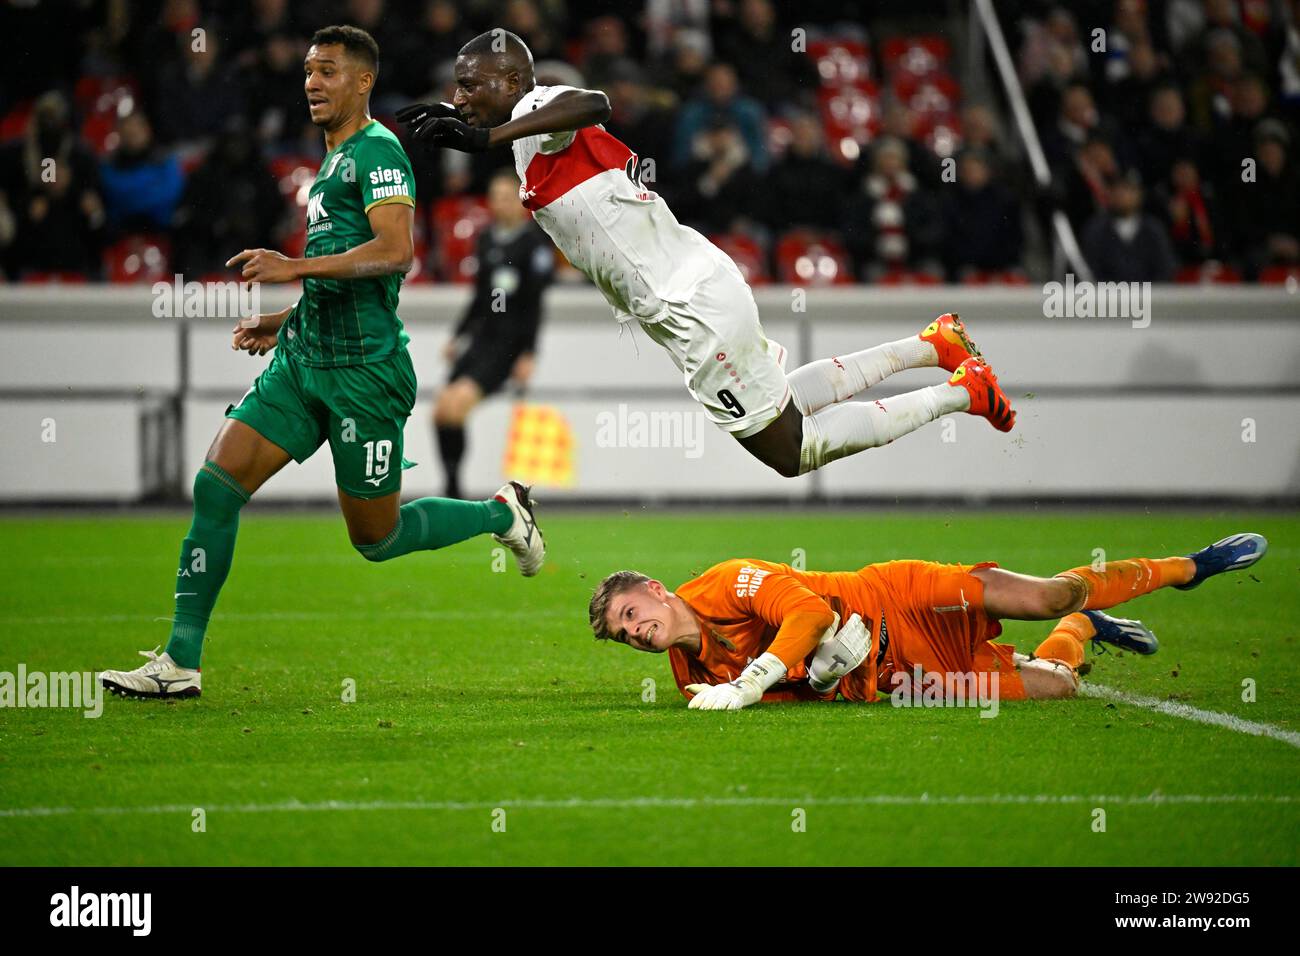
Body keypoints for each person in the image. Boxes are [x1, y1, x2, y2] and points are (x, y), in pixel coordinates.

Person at [99, 25, 544, 702]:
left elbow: (395, 253)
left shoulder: (379, 150)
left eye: (328, 71)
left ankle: (499, 513)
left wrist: (293, 268)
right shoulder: (333, 157)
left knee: (377, 538)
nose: (312, 82)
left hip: (364, 374)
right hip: (304, 360)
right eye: (309, 70)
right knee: (216, 487)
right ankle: (180, 661)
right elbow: (344, 274)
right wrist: (287, 319)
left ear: (364, 81)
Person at [397, 30, 1016, 481]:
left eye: (470, 85)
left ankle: (964, 393)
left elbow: (594, 102)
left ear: (513, 83)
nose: (461, 96)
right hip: (696, 288)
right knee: (786, 406)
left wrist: (485, 133)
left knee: (793, 451)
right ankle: (932, 346)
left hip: (690, 308)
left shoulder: (535, 112)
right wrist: (462, 123)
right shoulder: (525, 132)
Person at [588, 533, 1268, 710]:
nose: (634, 631)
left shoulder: (725, 582)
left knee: (1047, 598)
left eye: (630, 614)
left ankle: (1187, 566)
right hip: (901, 676)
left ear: (656, 590)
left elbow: (810, 612)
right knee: (1059, 687)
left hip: (902, 597)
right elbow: (796, 696)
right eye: (623, 634)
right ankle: (1087, 628)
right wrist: (817, 682)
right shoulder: (691, 676)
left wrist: (754, 679)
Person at [434, 168, 553, 499]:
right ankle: (452, 484)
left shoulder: (533, 244)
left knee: (457, 405)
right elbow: (479, 297)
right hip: (480, 340)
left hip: (507, 345)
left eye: (506, 197)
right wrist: (457, 336)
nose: (499, 204)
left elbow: (535, 304)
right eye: (495, 197)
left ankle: (454, 494)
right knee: (441, 410)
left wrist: (529, 353)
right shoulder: (486, 239)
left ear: (520, 201)